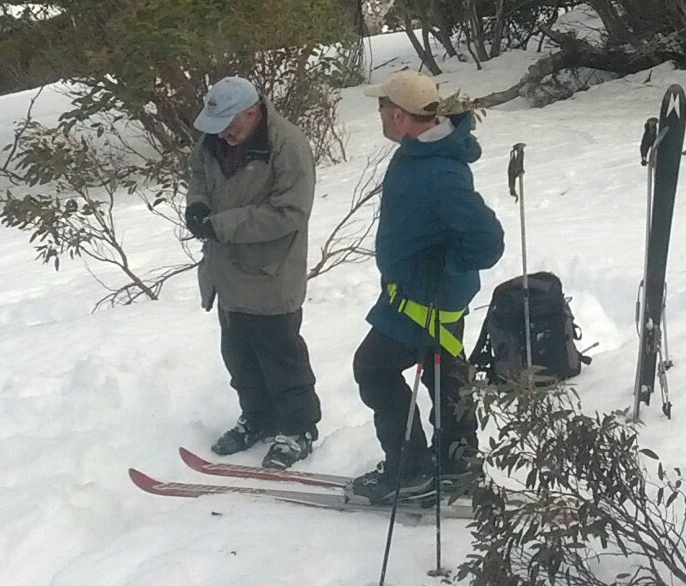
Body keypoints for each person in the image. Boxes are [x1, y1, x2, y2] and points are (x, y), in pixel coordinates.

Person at [349, 70, 505, 506]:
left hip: (424, 298)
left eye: (382, 107)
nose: (378, 114)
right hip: (420, 292)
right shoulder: (420, 151)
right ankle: (458, 462)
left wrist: (447, 263)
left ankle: (410, 469)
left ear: (399, 115)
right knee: (445, 372)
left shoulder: (438, 174)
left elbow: (487, 242)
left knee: (374, 369)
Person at [184, 75, 322, 470]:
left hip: (272, 269)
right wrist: (197, 204)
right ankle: (257, 417)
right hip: (226, 271)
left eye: (231, 123)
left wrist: (223, 225)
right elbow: (197, 174)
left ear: (252, 112)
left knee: (281, 354)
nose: (223, 132)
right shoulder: (214, 139)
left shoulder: (287, 144)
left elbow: (291, 211)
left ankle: (298, 429)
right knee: (239, 353)